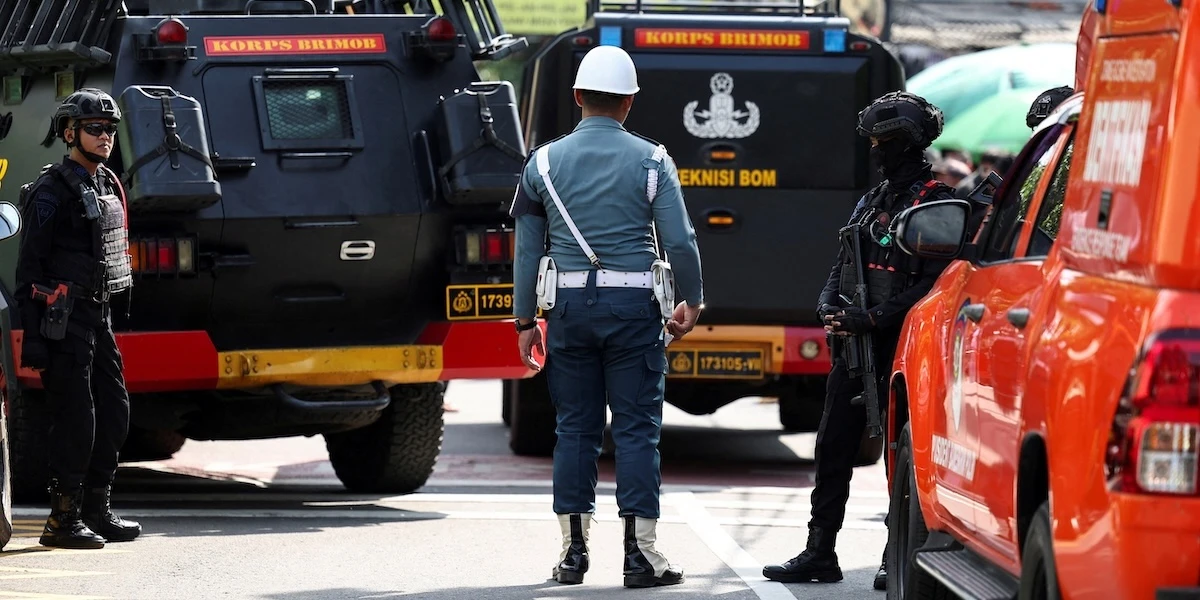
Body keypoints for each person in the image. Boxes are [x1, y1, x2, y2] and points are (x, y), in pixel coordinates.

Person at [509, 45, 705, 589]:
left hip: (568, 310)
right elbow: (681, 240)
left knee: (574, 428)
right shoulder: (653, 161)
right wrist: (693, 297)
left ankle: (573, 554)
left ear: (576, 97)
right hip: (635, 311)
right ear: (630, 102)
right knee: (638, 429)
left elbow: (526, 250)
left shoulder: (541, 164)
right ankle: (641, 556)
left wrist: (525, 321)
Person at [762, 91, 955, 591]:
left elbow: (929, 285)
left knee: (899, 455)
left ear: (908, 146)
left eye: (883, 143)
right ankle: (819, 550)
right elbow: (842, 261)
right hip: (854, 349)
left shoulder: (936, 204)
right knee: (832, 449)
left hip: (902, 352)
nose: (875, 152)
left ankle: (896, 553)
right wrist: (828, 304)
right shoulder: (872, 201)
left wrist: (871, 319)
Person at [15, 87, 141, 549]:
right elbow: (28, 271)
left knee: (114, 411)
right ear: (70, 133)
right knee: (75, 419)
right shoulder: (50, 191)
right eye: (94, 128)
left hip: (97, 315)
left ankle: (96, 510)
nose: (105, 135)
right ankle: (61, 520)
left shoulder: (107, 182)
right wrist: (32, 338)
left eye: (110, 128)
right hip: (61, 321)